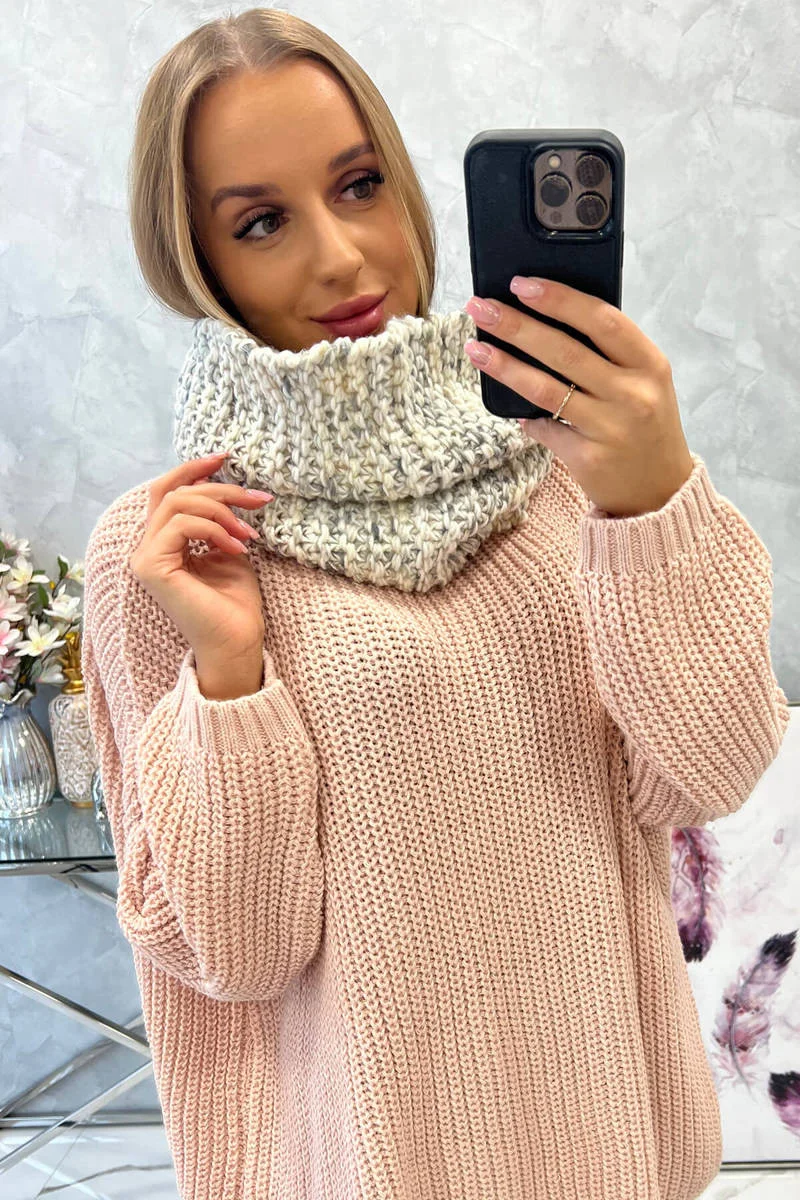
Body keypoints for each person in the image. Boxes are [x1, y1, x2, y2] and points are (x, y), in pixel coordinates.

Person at [81, 9, 790, 1200]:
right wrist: (231, 678)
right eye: (260, 222)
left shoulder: (570, 472)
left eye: (358, 186)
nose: (340, 257)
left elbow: (711, 769)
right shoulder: (173, 558)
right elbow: (236, 957)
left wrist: (650, 497)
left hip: (606, 1155)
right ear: (196, 263)